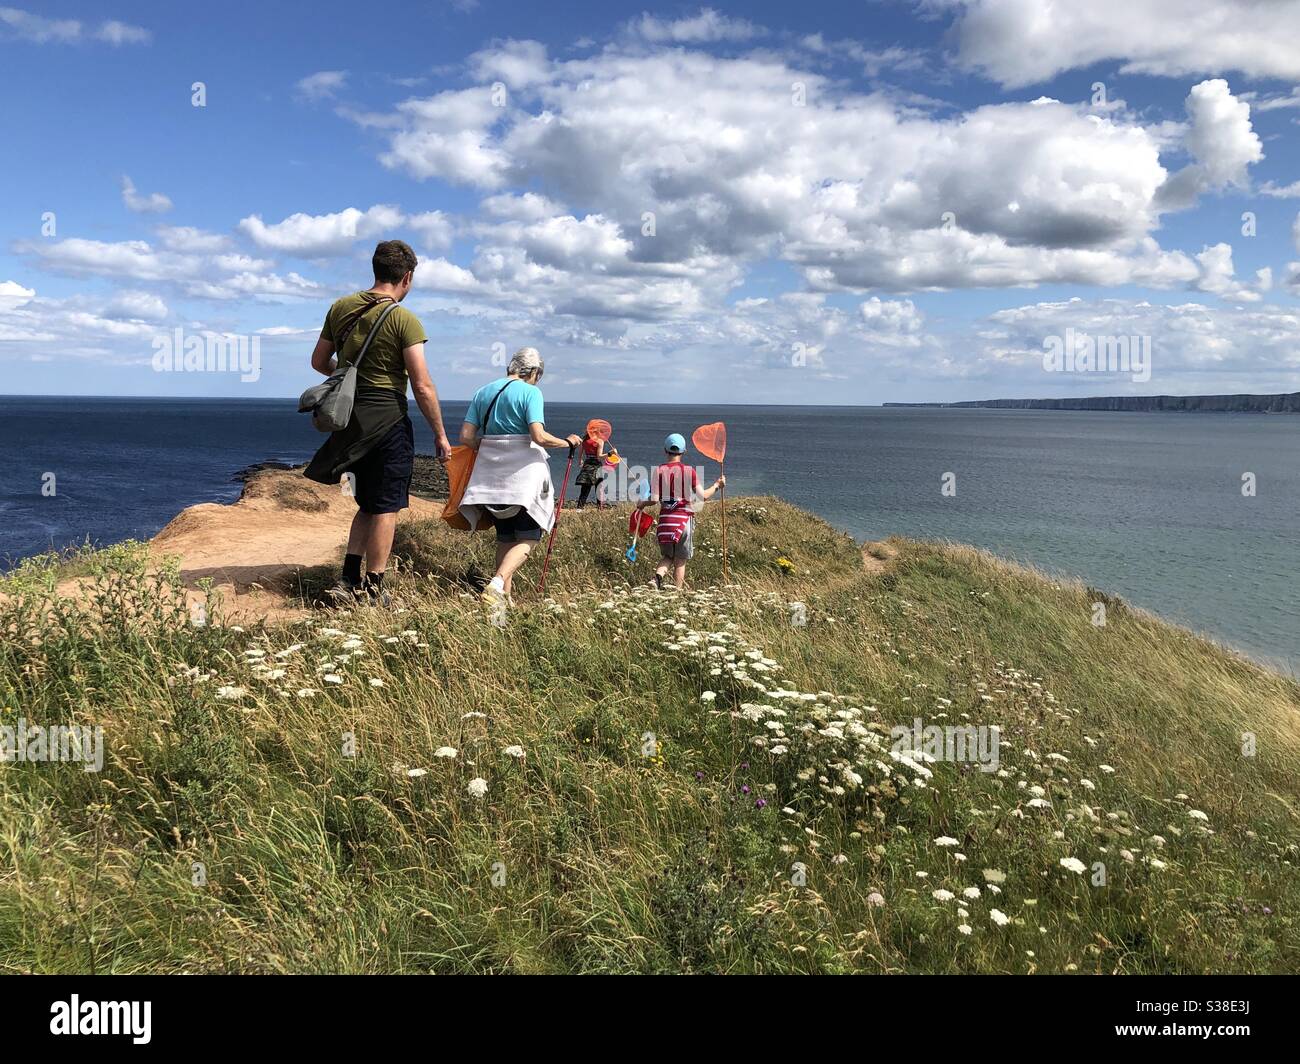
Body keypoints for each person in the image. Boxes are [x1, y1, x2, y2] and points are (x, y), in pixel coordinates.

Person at [305, 240, 452, 606]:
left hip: (350, 419)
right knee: (386, 505)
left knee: (367, 503)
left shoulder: (341, 307)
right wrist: (440, 434)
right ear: (407, 277)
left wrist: (347, 378)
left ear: (376, 270)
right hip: (387, 417)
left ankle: (347, 580)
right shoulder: (404, 318)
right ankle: (375, 589)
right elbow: (421, 384)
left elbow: (319, 361)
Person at [458, 348, 582, 607]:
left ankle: (504, 601)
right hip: (523, 483)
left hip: (489, 484)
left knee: (505, 538)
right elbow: (538, 436)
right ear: (534, 372)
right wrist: (567, 443)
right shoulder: (531, 392)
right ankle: (496, 583)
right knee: (529, 538)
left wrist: (491, 446)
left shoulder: (483, 392)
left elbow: (466, 438)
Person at [636, 432, 725, 590]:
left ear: (665, 450)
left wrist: (642, 503)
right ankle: (677, 593)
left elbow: (655, 499)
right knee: (680, 561)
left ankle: (656, 578)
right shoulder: (689, 471)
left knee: (668, 556)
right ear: (684, 452)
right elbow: (703, 496)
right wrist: (717, 485)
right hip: (683, 522)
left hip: (665, 523)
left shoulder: (659, 471)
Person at [574, 431, 606, 509]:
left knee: (585, 488)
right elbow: (599, 456)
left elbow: (580, 452)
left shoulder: (584, 440)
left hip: (587, 463)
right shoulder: (600, 441)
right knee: (599, 488)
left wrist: (580, 460)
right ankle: (600, 508)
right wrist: (610, 453)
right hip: (597, 465)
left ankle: (579, 508)